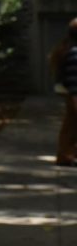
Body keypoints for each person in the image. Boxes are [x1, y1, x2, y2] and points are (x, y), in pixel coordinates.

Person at [51, 18, 77, 166]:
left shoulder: (70, 50)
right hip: (74, 95)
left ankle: (67, 156)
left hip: (72, 95)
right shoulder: (74, 54)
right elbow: (74, 80)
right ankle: (67, 156)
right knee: (72, 126)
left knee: (70, 125)